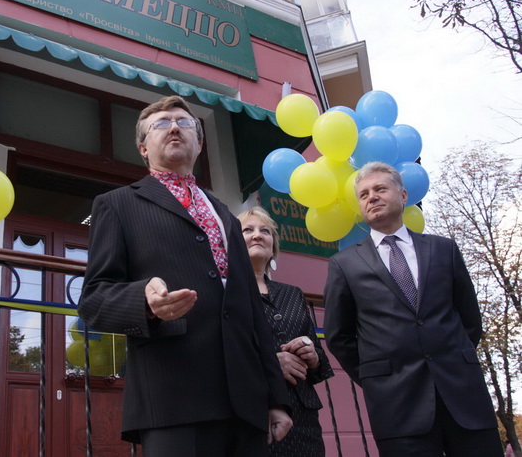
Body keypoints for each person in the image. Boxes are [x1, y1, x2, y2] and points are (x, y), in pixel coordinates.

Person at [78, 95, 293, 457]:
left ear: (200, 143)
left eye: (185, 123)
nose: (175, 127)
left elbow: (253, 312)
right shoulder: (117, 205)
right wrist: (144, 301)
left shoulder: (227, 216)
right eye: (161, 124)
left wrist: (276, 398)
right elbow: (93, 300)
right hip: (173, 400)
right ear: (143, 148)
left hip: (246, 404)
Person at [324, 161, 502, 456]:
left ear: (403, 195)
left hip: (464, 395)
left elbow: (469, 319)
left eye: (380, 189)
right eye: (364, 194)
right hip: (396, 406)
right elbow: (338, 336)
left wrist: (451, 357)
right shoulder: (344, 264)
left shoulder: (444, 249)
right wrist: (378, 376)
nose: (372, 197)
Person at [238, 206, 333, 457]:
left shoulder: (292, 294)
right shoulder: (226, 292)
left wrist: (313, 356)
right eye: (248, 230)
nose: (257, 235)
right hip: (256, 411)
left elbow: (320, 364)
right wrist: (270, 364)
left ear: (273, 246)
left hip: (303, 415)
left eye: (265, 231)